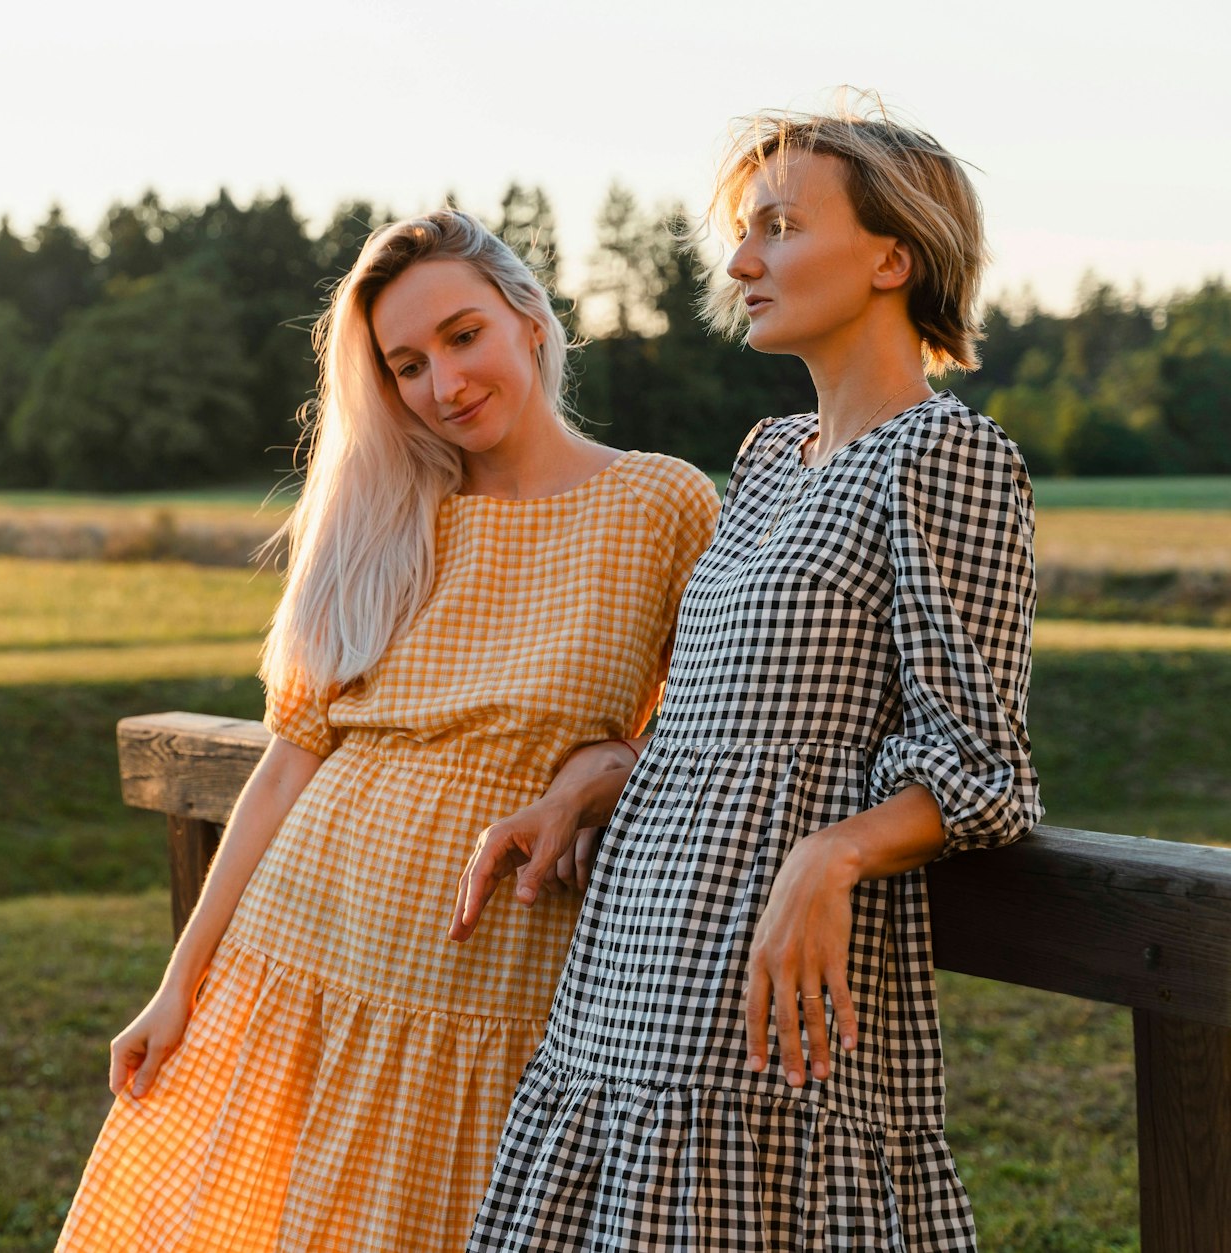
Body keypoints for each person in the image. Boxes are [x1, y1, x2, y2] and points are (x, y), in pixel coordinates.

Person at [56, 209, 719, 1250]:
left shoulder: (660, 503)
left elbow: (708, 735)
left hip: (492, 968)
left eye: (461, 337)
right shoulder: (383, 509)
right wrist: (176, 986)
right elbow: (286, 764)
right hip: (301, 941)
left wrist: (607, 765)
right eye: (405, 365)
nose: (441, 385)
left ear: (529, 319)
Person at [456, 102, 1040, 1249]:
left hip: (756, 962)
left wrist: (834, 850)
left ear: (891, 256)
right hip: (635, 937)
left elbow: (979, 767)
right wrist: (607, 768)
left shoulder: (947, 454)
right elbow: (726, 705)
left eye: (777, 225)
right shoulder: (770, 456)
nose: (739, 260)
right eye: (743, 228)